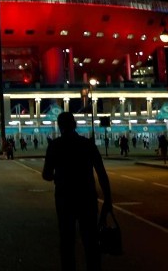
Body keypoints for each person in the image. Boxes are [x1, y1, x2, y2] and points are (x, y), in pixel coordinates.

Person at [42, 111, 112, 271]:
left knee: (67, 242)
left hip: (64, 198)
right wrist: (108, 199)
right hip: (87, 197)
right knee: (90, 241)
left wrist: (58, 177)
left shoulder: (55, 146)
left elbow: (46, 175)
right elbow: (101, 173)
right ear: (74, 125)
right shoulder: (87, 144)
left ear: (59, 127)